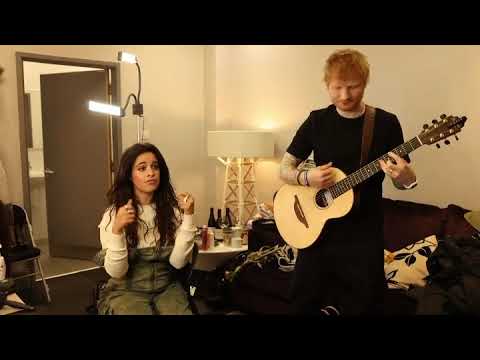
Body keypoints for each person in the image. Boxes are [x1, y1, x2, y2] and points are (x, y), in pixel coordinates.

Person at [279, 48, 418, 316]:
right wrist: (306, 177)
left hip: (363, 236)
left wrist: (406, 178)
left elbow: (403, 178)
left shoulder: (385, 123)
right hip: (316, 233)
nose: (345, 96)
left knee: (364, 306)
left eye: (353, 87)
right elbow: (284, 169)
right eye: (337, 87)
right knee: (302, 302)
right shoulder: (317, 121)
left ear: (364, 84)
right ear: (327, 85)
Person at [97, 142, 197, 315]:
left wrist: (188, 216)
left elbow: (178, 263)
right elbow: (117, 272)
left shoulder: (173, 212)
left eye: (155, 167)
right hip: (126, 291)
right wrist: (117, 230)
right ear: (129, 175)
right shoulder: (114, 214)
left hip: (166, 289)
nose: (151, 173)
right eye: (142, 168)